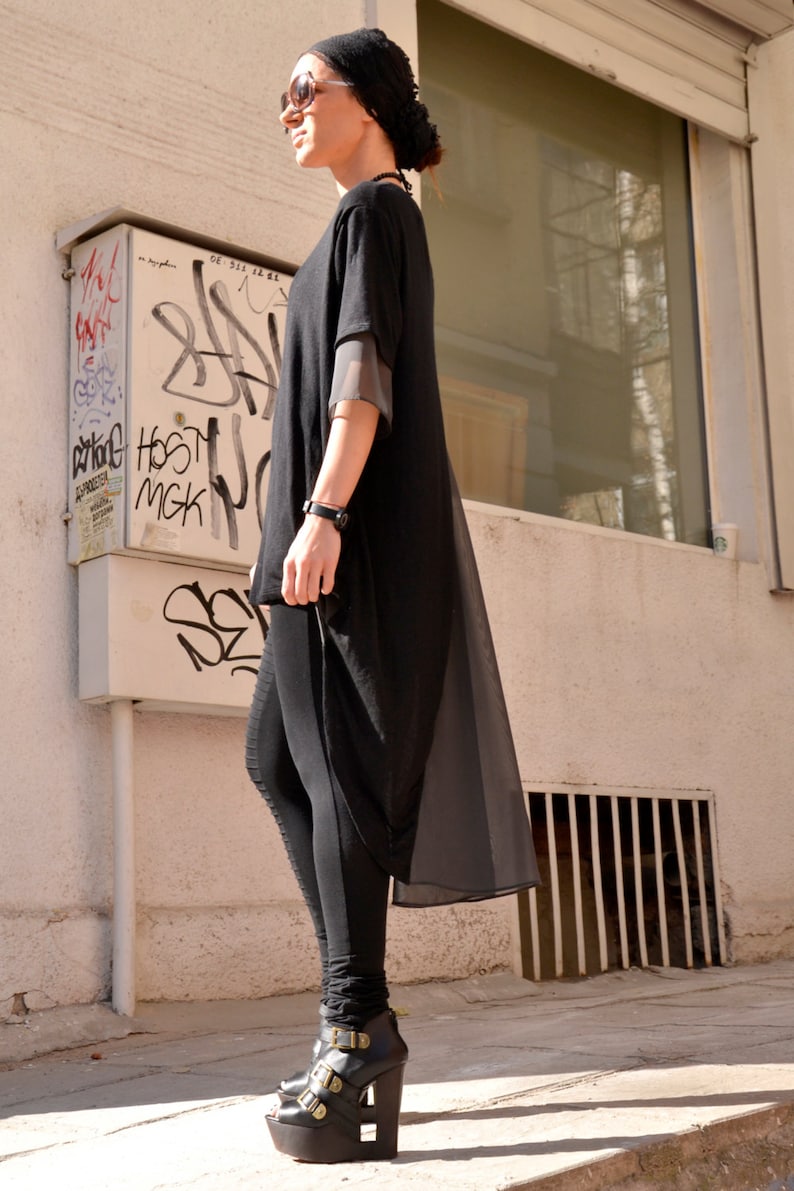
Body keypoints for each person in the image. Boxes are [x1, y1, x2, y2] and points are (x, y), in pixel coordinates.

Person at [246, 27, 540, 1164]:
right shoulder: (349, 223)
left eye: (303, 88)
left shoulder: (376, 214)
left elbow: (360, 377)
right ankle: (358, 1013)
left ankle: (350, 1029)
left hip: (350, 547)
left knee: (339, 785)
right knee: (280, 764)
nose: (286, 107)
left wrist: (321, 518)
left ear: (365, 99)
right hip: (325, 545)